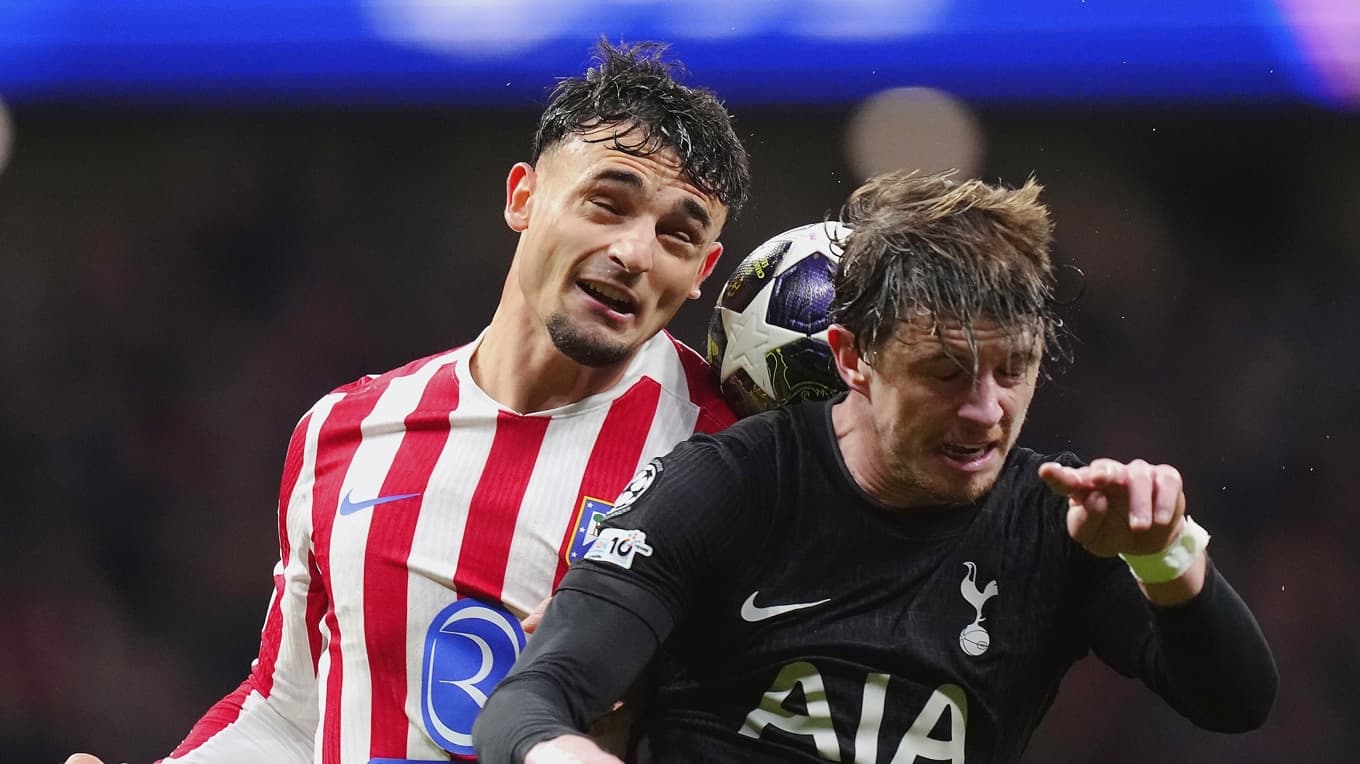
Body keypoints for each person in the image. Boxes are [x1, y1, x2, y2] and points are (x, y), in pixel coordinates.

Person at [67, 39, 751, 764]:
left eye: (678, 235)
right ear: (523, 198)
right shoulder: (347, 432)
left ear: (703, 270)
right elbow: (290, 710)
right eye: (607, 205)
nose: (636, 253)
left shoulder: (728, 460)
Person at [472, 170, 1279, 763]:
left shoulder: (1056, 520)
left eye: (1013, 371)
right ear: (853, 357)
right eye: (944, 373)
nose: (986, 409)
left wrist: (1164, 555)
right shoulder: (734, 487)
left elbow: (1237, 701)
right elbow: (528, 704)